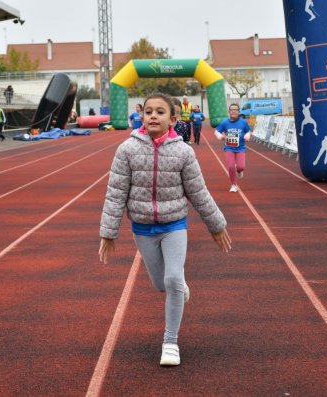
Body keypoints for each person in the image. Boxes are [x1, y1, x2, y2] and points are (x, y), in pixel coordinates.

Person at [99, 92, 232, 367]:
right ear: (141, 116)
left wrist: (216, 225)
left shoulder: (183, 152)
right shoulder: (127, 150)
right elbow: (115, 193)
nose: (153, 116)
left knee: (172, 280)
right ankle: (178, 287)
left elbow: (199, 192)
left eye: (160, 112)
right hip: (143, 227)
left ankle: (170, 342)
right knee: (162, 284)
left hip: (174, 225)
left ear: (172, 119)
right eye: (148, 112)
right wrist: (108, 233)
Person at [215, 104, 252, 193]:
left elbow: (248, 131)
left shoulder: (243, 122)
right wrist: (220, 137)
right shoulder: (225, 122)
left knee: (241, 166)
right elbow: (216, 131)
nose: (233, 111)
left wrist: (247, 136)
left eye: (235, 110)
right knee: (231, 166)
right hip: (229, 148)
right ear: (229, 112)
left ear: (239, 112)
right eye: (231, 110)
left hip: (240, 148)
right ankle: (233, 185)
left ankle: (239, 170)